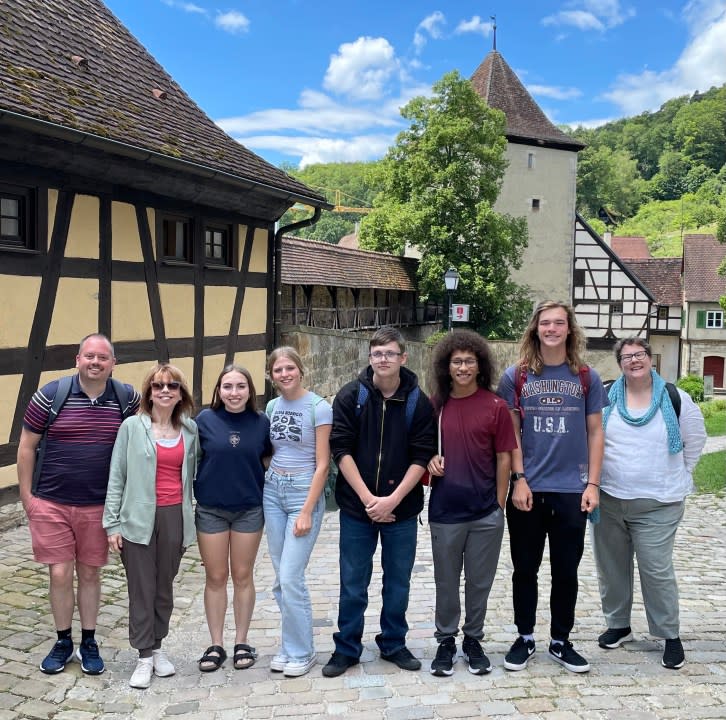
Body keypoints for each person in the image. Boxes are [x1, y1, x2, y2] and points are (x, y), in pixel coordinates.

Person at [17, 333, 140, 675]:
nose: (95, 362)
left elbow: (147, 434)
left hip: (98, 505)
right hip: (51, 503)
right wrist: (28, 498)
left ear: (113, 363)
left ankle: (88, 640)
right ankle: (62, 641)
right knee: (59, 573)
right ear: (78, 359)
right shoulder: (50, 396)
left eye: (103, 357)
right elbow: (27, 447)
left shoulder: (127, 398)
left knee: (89, 572)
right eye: (89, 356)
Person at [497, 301, 607, 674]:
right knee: (524, 569)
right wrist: (518, 478)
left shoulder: (586, 376)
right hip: (529, 487)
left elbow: (595, 431)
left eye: (560, 323)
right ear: (535, 329)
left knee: (565, 570)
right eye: (546, 323)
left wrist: (592, 484)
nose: (552, 329)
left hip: (571, 489)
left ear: (570, 330)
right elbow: (510, 432)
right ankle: (525, 637)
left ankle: (561, 640)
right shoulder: (518, 376)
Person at [323, 326, 437, 678]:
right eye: (377, 353)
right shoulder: (349, 396)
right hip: (358, 508)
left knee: (398, 580)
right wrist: (370, 499)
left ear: (403, 357)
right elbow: (339, 449)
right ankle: (347, 648)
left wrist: (391, 501)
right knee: (353, 580)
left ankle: (393, 642)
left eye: (389, 353)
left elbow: (422, 456)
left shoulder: (419, 402)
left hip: (401, 509)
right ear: (369, 357)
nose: (383, 359)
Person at [593, 337, 706, 670]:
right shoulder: (606, 396)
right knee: (611, 567)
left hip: (659, 503)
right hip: (610, 499)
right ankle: (618, 624)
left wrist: (679, 472)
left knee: (656, 570)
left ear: (649, 359)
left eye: (639, 354)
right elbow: (591, 436)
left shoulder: (674, 397)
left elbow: (695, 438)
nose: (634, 360)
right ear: (620, 364)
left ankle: (669, 634)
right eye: (627, 357)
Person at [426, 330, 517, 676]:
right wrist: (431, 461)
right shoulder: (435, 406)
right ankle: (446, 640)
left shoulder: (495, 406)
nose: (463, 367)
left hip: (485, 514)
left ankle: (473, 639)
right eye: (457, 361)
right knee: (446, 581)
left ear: (480, 366)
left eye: (469, 361)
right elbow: (419, 452)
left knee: (480, 582)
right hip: (445, 511)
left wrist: (498, 505)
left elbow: (504, 458)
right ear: (446, 366)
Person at [103, 363, 198, 689]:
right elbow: (117, 476)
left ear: (181, 393)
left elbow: (192, 478)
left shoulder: (189, 430)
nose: (165, 391)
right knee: (141, 588)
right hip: (138, 517)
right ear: (149, 392)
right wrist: (112, 524)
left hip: (175, 516)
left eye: (172, 386)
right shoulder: (131, 427)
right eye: (158, 386)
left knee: (164, 587)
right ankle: (144, 656)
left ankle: (158, 647)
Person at [194, 365, 272, 672]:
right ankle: (216, 644)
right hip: (211, 509)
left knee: (242, 576)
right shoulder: (204, 421)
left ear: (250, 391)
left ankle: (242, 641)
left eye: (241, 386)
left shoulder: (261, 422)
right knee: (215, 578)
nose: (234, 393)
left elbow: (268, 457)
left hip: (248, 509)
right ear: (218, 390)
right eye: (228, 386)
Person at [263, 346, 331, 677]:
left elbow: (322, 464)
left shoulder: (319, 407)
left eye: (290, 368)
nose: (285, 374)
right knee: (280, 579)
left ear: (300, 370)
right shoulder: (272, 406)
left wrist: (306, 510)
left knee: (291, 576)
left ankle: (303, 652)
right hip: (273, 491)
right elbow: (271, 451)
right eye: (278, 370)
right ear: (271, 375)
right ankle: (289, 646)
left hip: (304, 492)